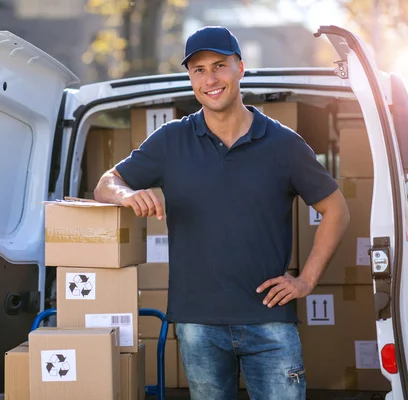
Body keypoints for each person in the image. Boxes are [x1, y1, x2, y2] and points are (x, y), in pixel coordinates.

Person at [93, 26, 350, 399]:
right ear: (190, 78)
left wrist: (306, 281)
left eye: (219, 66)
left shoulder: (283, 145)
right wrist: (126, 195)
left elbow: (336, 210)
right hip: (198, 324)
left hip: (270, 322)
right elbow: (105, 183)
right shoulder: (170, 141)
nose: (210, 79)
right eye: (198, 70)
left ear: (240, 68)